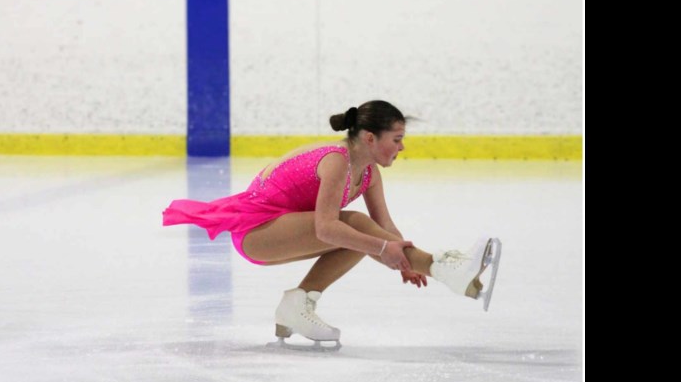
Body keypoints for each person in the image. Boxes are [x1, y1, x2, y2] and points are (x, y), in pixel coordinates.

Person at [162, 100, 501, 349]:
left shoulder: (368, 173)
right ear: (370, 138)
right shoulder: (336, 162)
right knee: (351, 225)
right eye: (396, 139)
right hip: (256, 231)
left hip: (281, 229)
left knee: (357, 233)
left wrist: (404, 260)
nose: (402, 146)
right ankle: (447, 270)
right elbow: (328, 229)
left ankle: (297, 304)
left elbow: (386, 230)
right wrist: (388, 250)